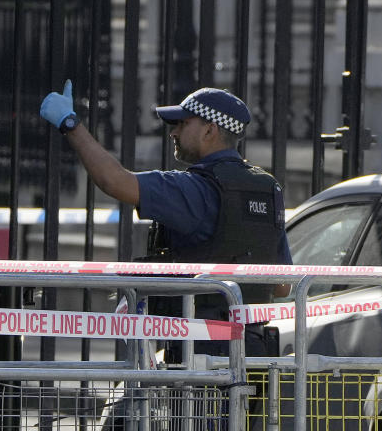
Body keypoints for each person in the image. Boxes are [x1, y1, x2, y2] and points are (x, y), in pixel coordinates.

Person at [39, 81, 292, 358]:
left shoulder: (196, 189)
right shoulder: (267, 188)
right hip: (254, 351)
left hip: (200, 352)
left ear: (210, 130)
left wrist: (71, 124)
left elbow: (114, 181)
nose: (173, 132)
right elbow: (281, 285)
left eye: (183, 124)